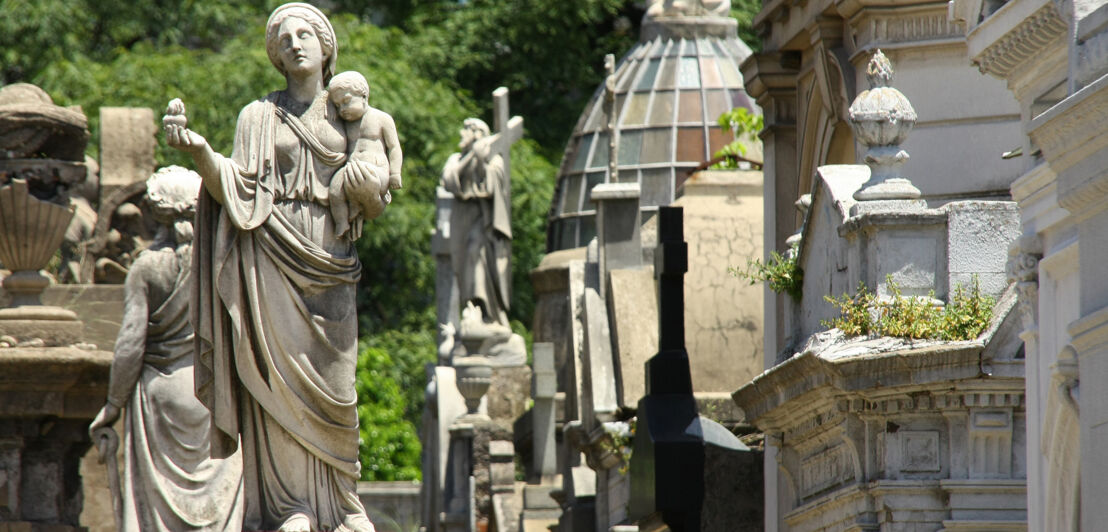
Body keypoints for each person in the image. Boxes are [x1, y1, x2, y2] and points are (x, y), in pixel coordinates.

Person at [163, 3, 378, 531]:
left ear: (326, 46)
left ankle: (343, 503)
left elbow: (377, 181)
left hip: (330, 262)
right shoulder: (257, 117)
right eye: (283, 39)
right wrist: (200, 151)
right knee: (277, 383)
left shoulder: (350, 111)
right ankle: (292, 507)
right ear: (275, 56)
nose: (295, 44)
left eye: (305, 34)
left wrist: (368, 182)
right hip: (271, 260)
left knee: (336, 389)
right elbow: (236, 190)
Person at [88, 166, 243, 532]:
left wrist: (113, 404)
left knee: (156, 518)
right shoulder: (222, 263)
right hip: (215, 395)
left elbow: (130, 343)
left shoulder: (146, 268)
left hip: (161, 395)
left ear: (152, 212)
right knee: (218, 512)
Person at [440, 118, 512, 328]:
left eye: (465, 131)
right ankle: (470, 307)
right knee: (461, 264)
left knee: (476, 253)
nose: (461, 134)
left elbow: (493, 185)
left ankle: (483, 308)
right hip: (460, 216)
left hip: (482, 217)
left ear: (478, 133)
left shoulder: (493, 158)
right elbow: (448, 179)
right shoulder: (456, 158)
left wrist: (482, 161)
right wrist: (472, 156)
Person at [327, 70, 403, 239]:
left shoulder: (382, 118)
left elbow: (394, 147)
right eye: (338, 106)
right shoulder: (345, 125)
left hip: (377, 171)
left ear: (363, 95)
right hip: (351, 169)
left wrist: (395, 173)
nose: (342, 109)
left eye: (346, 101)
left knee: (366, 180)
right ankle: (341, 222)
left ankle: (358, 204)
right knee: (334, 191)